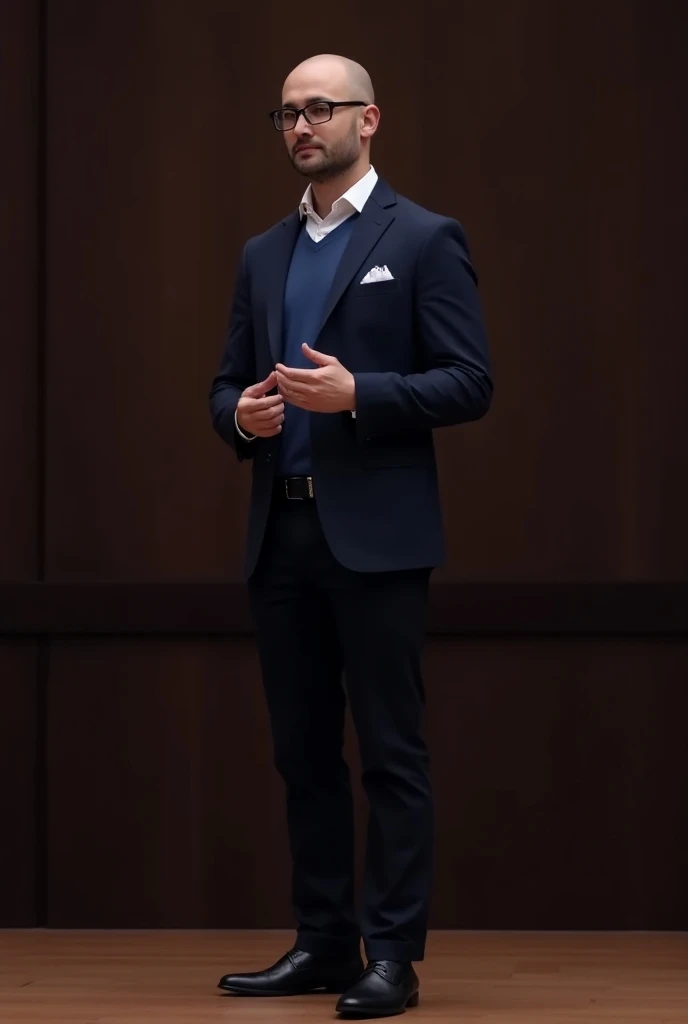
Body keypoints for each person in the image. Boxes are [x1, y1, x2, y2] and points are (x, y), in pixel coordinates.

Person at [209, 53, 492, 1018]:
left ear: (369, 121)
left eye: (319, 109)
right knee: (302, 755)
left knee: (389, 754)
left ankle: (394, 956)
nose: (301, 126)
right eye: (287, 112)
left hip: (376, 543)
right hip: (280, 538)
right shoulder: (261, 253)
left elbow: (470, 381)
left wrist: (359, 395)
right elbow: (223, 384)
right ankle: (325, 942)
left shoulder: (421, 240)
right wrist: (237, 417)